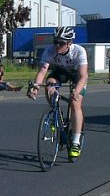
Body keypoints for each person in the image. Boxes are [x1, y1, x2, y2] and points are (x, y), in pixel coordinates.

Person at [27, 26, 89, 159]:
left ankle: (76, 142)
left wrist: (76, 91)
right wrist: (35, 87)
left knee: (75, 102)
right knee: (49, 85)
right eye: (55, 41)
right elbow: (42, 71)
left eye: (61, 43)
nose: (57, 45)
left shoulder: (79, 51)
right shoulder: (49, 50)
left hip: (76, 74)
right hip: (60, 72)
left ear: (69, 43)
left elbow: (83, 76)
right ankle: (56, 113)